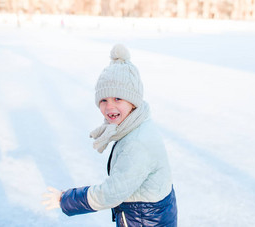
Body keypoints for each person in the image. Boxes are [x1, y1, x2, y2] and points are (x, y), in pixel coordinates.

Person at [42, 44, 177, 226]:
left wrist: (65, 199)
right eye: (104, 100)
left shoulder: (137, 143)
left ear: (133, 101)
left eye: (118, 99)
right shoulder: (134, 124)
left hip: (145, 220)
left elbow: (112, 192)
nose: (109, 106)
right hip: (149, 214)